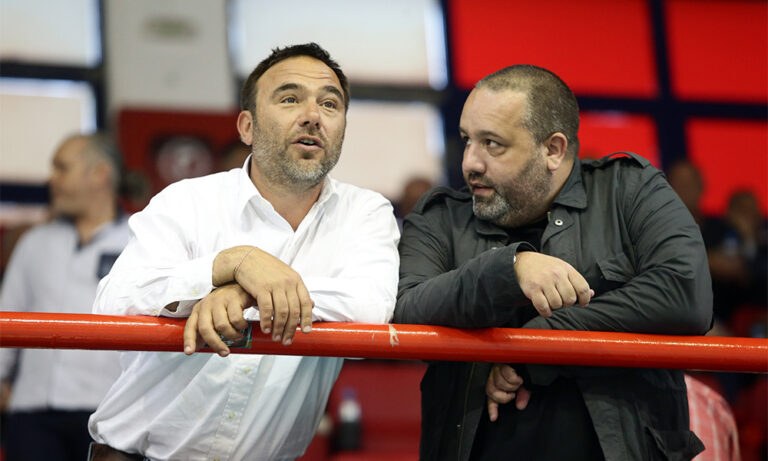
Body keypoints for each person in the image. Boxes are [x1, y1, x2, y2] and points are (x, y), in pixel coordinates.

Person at [87, 43, 400, 461]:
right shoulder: (187, 201)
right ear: (247, 127)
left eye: (330, 104)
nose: (313, 115)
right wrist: (228, 264)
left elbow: (369, 309)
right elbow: (113, 302)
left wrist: (244, 292)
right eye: (289, 99)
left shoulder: (365, 212)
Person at [394, 64, 712, 460]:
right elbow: (408, 310)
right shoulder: (440, 217)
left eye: (492, 144)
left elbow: (686, 294)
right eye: (467, 140)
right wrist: (510, 269)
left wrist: (538, 342)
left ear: (553, 150)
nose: (470, 162)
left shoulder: (629, 189)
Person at [0, 133, 129, 461]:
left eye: (62, 168)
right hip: (32, 411)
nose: (52, 179)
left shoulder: (140, 240)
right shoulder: (35, 241)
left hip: (114, 412)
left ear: (99, 174)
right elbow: (8, 314)